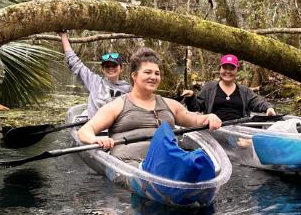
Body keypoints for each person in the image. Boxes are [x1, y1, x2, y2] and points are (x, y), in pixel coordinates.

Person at [78, 47, 222, 164]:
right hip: (131, 166)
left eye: (157, 73)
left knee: (201, 163)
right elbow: (85, 130)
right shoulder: (117, 105)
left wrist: (210, 117)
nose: (153, 77)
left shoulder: (171, 104)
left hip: (167, 163)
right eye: (147, 72)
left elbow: (195, 120)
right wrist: (95, 139)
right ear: (134, 76)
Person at [58, 32, 131, 118]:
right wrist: (64, 36)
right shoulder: (94, 81)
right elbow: (74, 62)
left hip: (117, 128)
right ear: (102, 69)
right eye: (107, 66)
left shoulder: (129, 89)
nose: (111, 68)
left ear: (121, 68)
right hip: (94, 128)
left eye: (114, 65)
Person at [183, 54, 276, 121]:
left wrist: (269, 108)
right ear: (220, 69)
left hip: (240, 130)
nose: (228, 71)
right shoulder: (209, 88)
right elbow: (196, 109)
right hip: (214, 130)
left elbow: (258, 102)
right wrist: (191, 98)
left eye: (231, 68)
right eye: (225, 68)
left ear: (237, 71)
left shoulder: (244, 90)